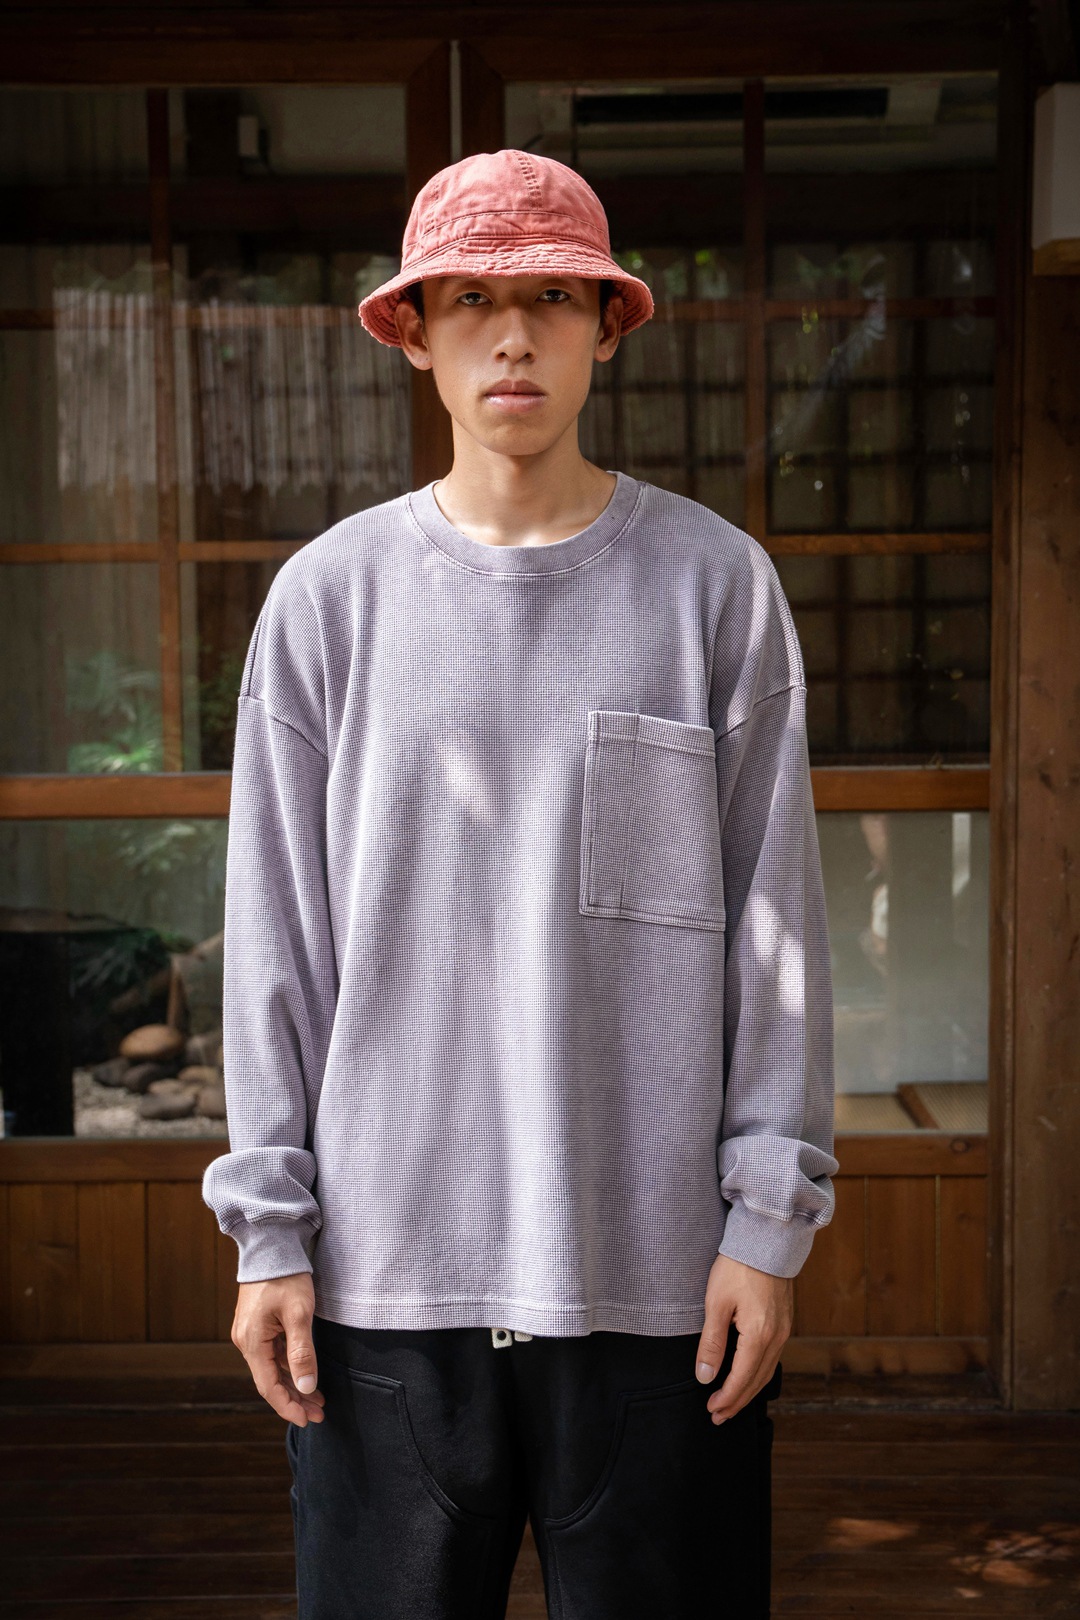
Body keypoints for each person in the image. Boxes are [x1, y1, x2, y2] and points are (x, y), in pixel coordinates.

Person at [203, 147, 839, 1620]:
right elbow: (274, 942)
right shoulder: (328, 602)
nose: (512, 335)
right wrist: (269, 1235)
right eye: (472, 300)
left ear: (606, 329)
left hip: (658, 1281)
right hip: (383, 1284)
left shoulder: (715, 586)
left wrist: (766, 1225)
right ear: (414, 334)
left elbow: (777, 931)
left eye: (553, 298)